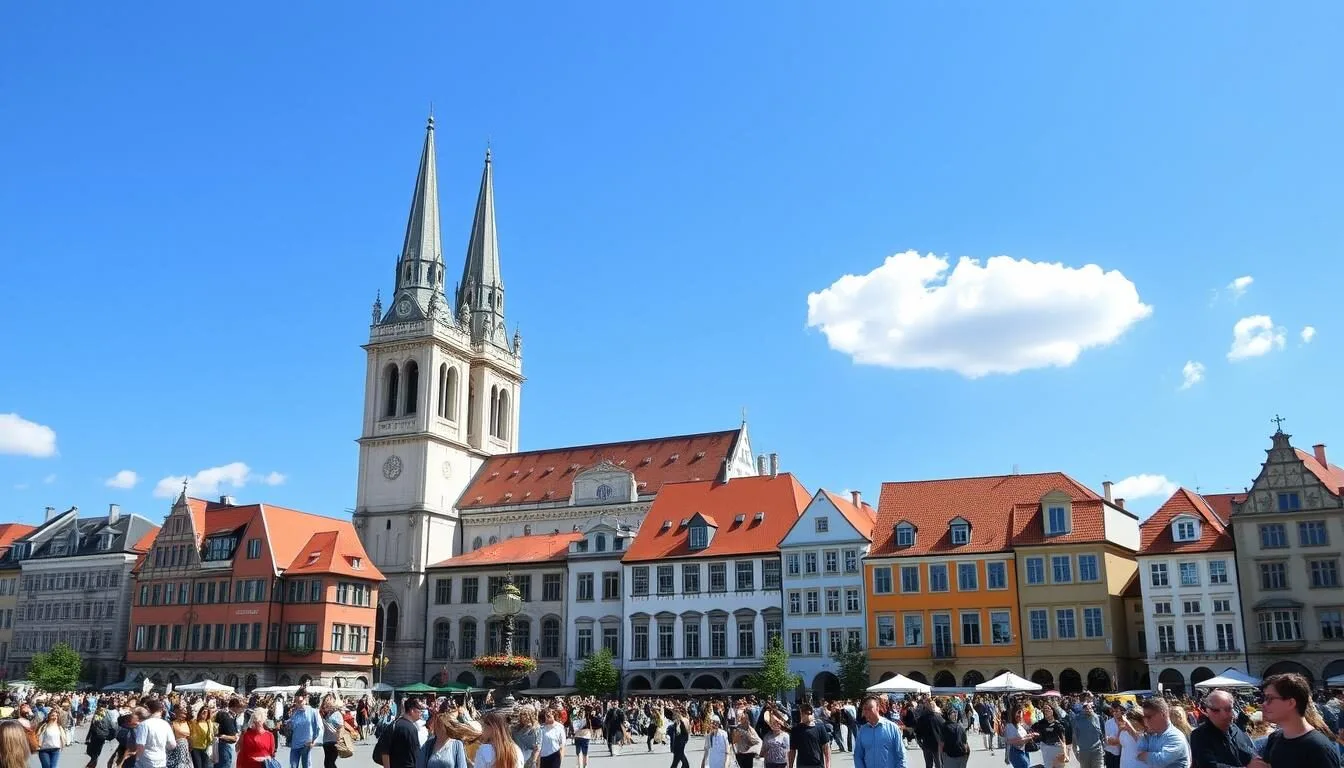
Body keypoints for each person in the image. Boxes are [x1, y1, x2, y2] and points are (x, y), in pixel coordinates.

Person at [1251, 672, 1341, 768]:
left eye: (1269, 698)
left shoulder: (1318, 748)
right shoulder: (1274, 738)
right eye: (1264, 698)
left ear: (1291, 703)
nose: (1264, 704)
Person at [1188, 690, 1253, 768]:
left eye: (1228, 709)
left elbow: (1249, 753)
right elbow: (1209, 765)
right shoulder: (1199, 735)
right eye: (1216, 710)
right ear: (1207, 711)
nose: (1223, 715)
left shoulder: (1236, 730)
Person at [1135, 699, 1190, 768]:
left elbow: (1160, 761)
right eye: (1144, 717)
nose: (1145, 720)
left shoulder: (1175, 736)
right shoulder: (1151, 734)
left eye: (1148, 717)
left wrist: (1144, 755)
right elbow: (1138, 753)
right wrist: (1145, 734)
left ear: (1163, 714)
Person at [853, 695, 905, 768]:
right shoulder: (862, 731)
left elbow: (901, 755)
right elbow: (858, 756)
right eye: (864, 709)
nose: (866, 712)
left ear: (877, 708)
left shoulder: (892, 728)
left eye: (869, 708)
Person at [374, 698, 423, 768]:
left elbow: (384, 751)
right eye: (419, 710)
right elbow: (416, 755)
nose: (421, 713)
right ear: (412, 710)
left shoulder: (393, 725)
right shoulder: (411, 729)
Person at [135, 701, 176, 768]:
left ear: (148, 709)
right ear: (160, 711)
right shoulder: (165, 724)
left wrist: (137, 759)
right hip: (161, 761)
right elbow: (172, 745)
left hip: (145, 761)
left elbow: (140, 745)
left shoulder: (144, 724)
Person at [789, 702, 830, 768]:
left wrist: (828, 765)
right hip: (802, 765)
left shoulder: (820, 728)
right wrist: (790, 766)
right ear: (801, 714)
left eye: (809, 713)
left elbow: (826, 748)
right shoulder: (795, 730)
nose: (807, 715)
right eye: (804, 713)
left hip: (818, 765)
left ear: (812, 714)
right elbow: (792, 750)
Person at [286, 697, 319, 768]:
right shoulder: (294, 712)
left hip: (306, 745)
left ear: (305, 700)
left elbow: (317, 728)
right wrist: (288, 724)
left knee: (306, 766)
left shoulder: (312, 711)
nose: (299, 704)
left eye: (300, 701)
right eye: (297, 702)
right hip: (295, 744)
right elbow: (291, 726)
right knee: (293, 766)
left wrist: (313, 741)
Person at [1002, 702, 1036, 768]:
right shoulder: (1010, 726)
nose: (1020, 715)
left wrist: (1030, 735)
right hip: (1016, 752)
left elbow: (1022, 737)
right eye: (1018, 713)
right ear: (1013, 714)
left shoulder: (1020, 725)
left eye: (1021, 713)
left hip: (1024, 751)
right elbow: (1010, 741)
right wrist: (1027, 738)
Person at [1073, 700, 1106, 768]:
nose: (1087, 708)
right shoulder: (1077, 719)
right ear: (1082, 708)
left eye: (1090, 707)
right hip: (1084, 752)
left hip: (1097, 751)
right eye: (1085, 707)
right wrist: (1075, 751)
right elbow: (1075, 736)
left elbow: (1103, 734)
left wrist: (1104, 748)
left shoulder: (1098, 718)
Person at [912, 699, 943, 768]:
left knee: (929, 764)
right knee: (938, 763)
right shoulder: (939, 717)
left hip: (926, 744)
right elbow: (944, 730)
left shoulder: (922, 718)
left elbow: (917, 732)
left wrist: (920, 742)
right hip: (937, 744)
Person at [214, 699, 242, 768]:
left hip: (224, 745)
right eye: (239, 707)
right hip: (225, 745)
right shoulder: (226, 716)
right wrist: (234, 736)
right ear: (234, 707)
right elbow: (232, 736)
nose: (240, 710)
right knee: (225, 765)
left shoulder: (227, 714)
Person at [319, 699, 344, 768]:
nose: (327, 703)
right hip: (326, 741)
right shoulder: (325, 714)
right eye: (326, 702)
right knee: (327, 763)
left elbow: (341, 726)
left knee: (330, 762)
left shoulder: (337, 714)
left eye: (329, 701)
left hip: (334, 740)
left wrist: (339, 738)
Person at [1103, 702, 1124, 768]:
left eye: (1117, 711)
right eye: (1113, 711)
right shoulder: (1108, 723)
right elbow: (1107, 740)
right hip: (1110, 753)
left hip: (1122, 753)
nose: (1115, 713)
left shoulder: (1126, 724)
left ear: (1122, 712)